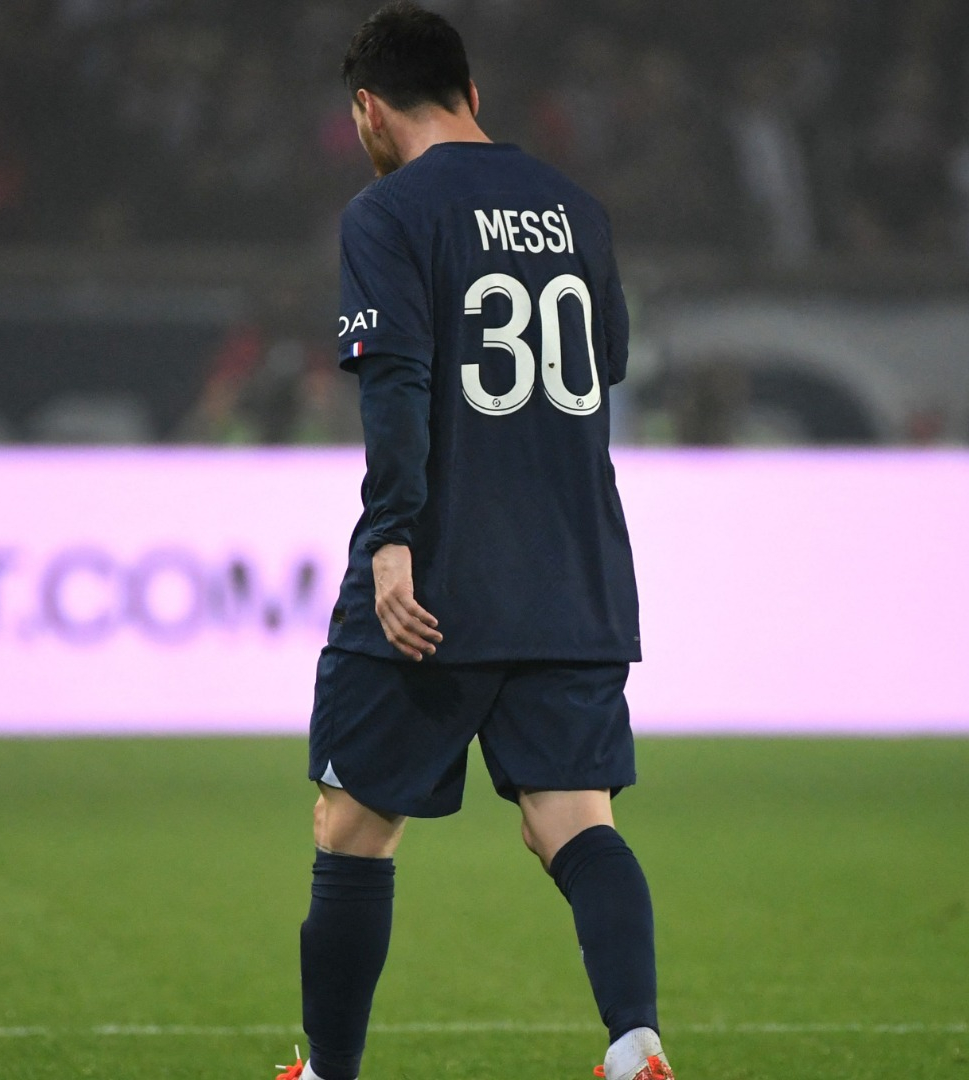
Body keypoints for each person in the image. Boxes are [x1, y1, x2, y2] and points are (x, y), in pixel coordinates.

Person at [280, 7, 669, 1080]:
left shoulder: (386, 214)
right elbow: (611, 361)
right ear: (471, 95)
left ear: (368, 109)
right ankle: (634, 1040)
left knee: (353, 825)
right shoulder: (577, 209)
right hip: (574, 567)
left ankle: (328, 1074)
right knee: (571, 821)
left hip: (443, 572)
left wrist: (394, 540)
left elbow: (397, 383)